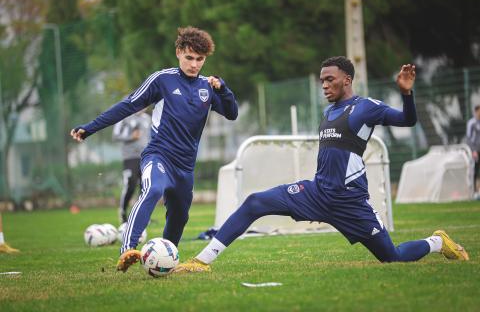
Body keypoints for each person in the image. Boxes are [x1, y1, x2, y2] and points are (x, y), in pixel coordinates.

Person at [175, 56, 469, 273]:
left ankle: (436, 242)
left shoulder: (366, 107)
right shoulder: (329, 112)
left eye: (330, 79)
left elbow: (408, 120)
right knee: (254, 203)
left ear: (347, 80)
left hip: (350, 202)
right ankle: (202, 261)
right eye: (322, 81)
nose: (325, 85)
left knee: (392, 257)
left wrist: (406, 93)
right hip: (316, 193)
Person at [70, 26, 238, 272]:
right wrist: (90, 128)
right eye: (189, 57)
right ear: (179, 52)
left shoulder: (207, 87)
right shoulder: (162, 80)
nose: (194, 64)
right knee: (153, 188)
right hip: (158, 155)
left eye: (199, 59)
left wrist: (223, 89)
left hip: (185, 166)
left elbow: (232, 113)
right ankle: (127, 249)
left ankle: (163, 261)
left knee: (180, 215)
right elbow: (127, 105)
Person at [112, 109, 151, 224]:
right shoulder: (125, 117)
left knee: (145, 186)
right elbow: (115, 135)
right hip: (130, 157)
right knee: (131, 184)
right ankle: (123, 212)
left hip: (146, 157)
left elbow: (151, 136)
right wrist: (130, 136)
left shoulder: (147, 118)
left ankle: (141, 216)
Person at [466, 105, 480, 194]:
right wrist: (473, 150)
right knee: (475, 170)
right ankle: (474, 191)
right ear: (476, 111)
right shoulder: (472, 123)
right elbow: (469, 138)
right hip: (476, 151)